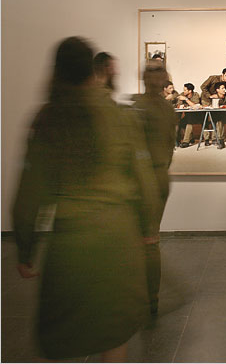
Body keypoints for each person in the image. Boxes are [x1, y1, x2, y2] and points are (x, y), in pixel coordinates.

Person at [12, 37, 159, 361]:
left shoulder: (47, 119)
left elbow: (28, 195)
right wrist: (148, 227)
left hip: (70, 244)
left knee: (66, 334)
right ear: (93, 71)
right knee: (114, 333)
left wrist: (25, 250)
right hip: (119, 238)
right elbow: (144, 178)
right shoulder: (120, 116)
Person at [131, 61, 177, 315]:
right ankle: (151, 297)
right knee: (150, 237)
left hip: (145, 179)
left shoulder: (139, 107)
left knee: (146, 239)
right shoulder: (167, 108)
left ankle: (147, 297)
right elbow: (170, 145)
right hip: (159, 177)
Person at [177, 83, 202, 148]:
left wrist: (186, 99)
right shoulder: (182, 94)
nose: (183, 91)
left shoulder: (195, 95)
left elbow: (195, 106)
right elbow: (179, 105)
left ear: (190, 91)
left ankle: (186, 141)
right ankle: (190, 138)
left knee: (189, 122)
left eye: (185, 90)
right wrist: (181, 105)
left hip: (197, 115)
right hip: (188, 115)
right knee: (181, 123)